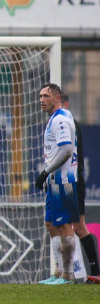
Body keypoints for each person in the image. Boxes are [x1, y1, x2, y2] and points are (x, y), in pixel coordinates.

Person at [35, 84, 80, 285]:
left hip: (63, 180)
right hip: (53, 181)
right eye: (40, 96)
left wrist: (45, 172)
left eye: (46, 96)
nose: (41, 99)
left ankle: (68, 275)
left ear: (57, 97)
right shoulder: (55, 118)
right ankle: (58, 272)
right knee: (51, 224)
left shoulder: (61, 119)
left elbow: (67, 150)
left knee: (64, 225)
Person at [60, 92, 100, 283]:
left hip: (73, 181)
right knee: (73, 227)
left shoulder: (68, 123)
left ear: (65, 104)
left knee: (77, 227)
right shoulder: (64, 123)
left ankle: (85, 272)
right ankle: (87, 272)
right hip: (70, 180)